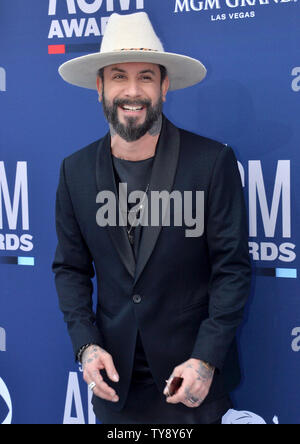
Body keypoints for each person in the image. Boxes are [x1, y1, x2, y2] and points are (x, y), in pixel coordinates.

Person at [53, 12, 251, 424]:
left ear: (164, 87)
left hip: (192, 384)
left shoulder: (211, 163)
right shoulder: (74, 170)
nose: (132, 90)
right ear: (100, 87)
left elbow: (231, 270)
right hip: (114, 387)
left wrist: (205, 360)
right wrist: (86, 346)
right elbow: (70, 269)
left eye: (145, 77)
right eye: (118, 76)